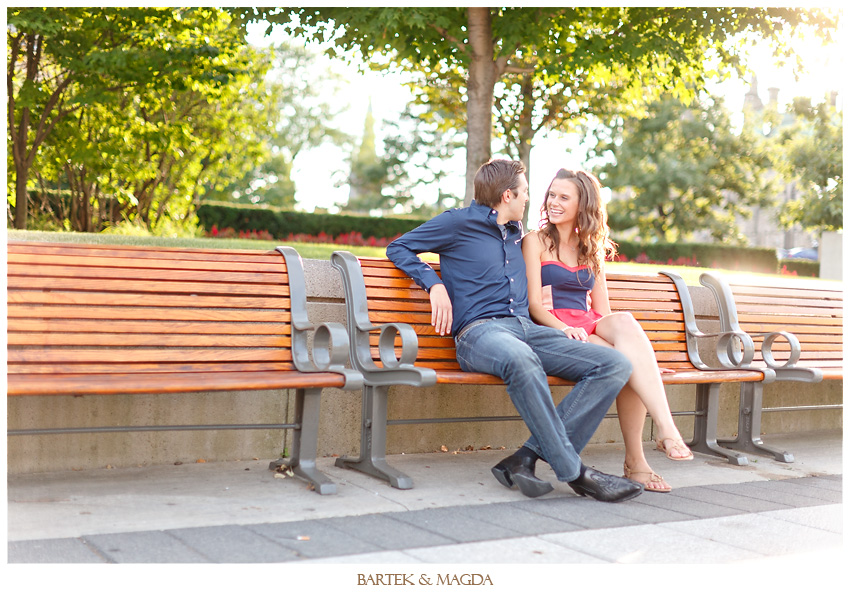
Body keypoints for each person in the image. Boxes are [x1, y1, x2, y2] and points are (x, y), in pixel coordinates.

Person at [386, 158, 643, 503]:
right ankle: (577, 474)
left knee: (615, 364)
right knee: (522, 359)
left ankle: (524, 458)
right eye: (524, 193)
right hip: (479, 334)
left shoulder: (516, 234)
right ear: (507, 195)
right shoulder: (457, 222)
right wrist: (435, 285)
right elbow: (398, 246)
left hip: (524, 329)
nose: (529, 201)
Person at [521, 167, 694, 493]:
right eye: (552, 195)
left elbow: (603, 311)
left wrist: (643, 359)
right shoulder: (536, 241)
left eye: (564, 197)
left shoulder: (591, 247)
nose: (554, 202)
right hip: (554, 326)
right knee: (626, 365)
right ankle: (638, 462)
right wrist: (565, 328)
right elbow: (534, 305)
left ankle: (664, 430)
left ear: (582, 204)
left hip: (588, 323)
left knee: (626, 328)